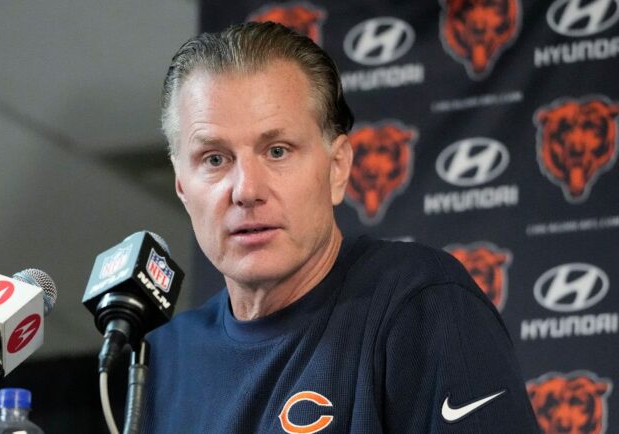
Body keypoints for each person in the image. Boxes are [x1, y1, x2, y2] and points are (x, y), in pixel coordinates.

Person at [141, 21, 539, 433]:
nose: (246, 190)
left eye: (277, 151)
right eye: (214, 159)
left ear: (337, 168)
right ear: (182, 187)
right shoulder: (161, 359)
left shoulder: (421, 304)